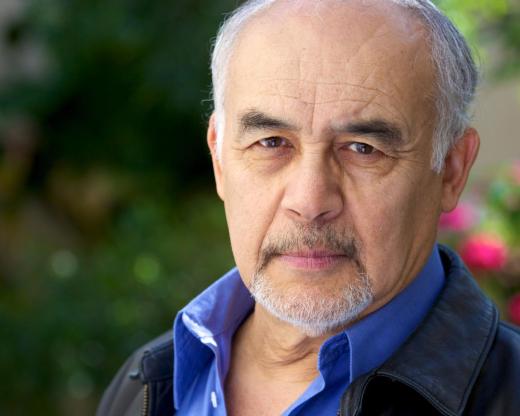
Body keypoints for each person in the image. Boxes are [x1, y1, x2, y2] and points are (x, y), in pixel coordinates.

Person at [97, 0, 520, 415]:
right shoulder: (147, 382)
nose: (310, 201)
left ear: (450, 170)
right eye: (271, 143)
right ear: (219, 160)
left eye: (363, 149)